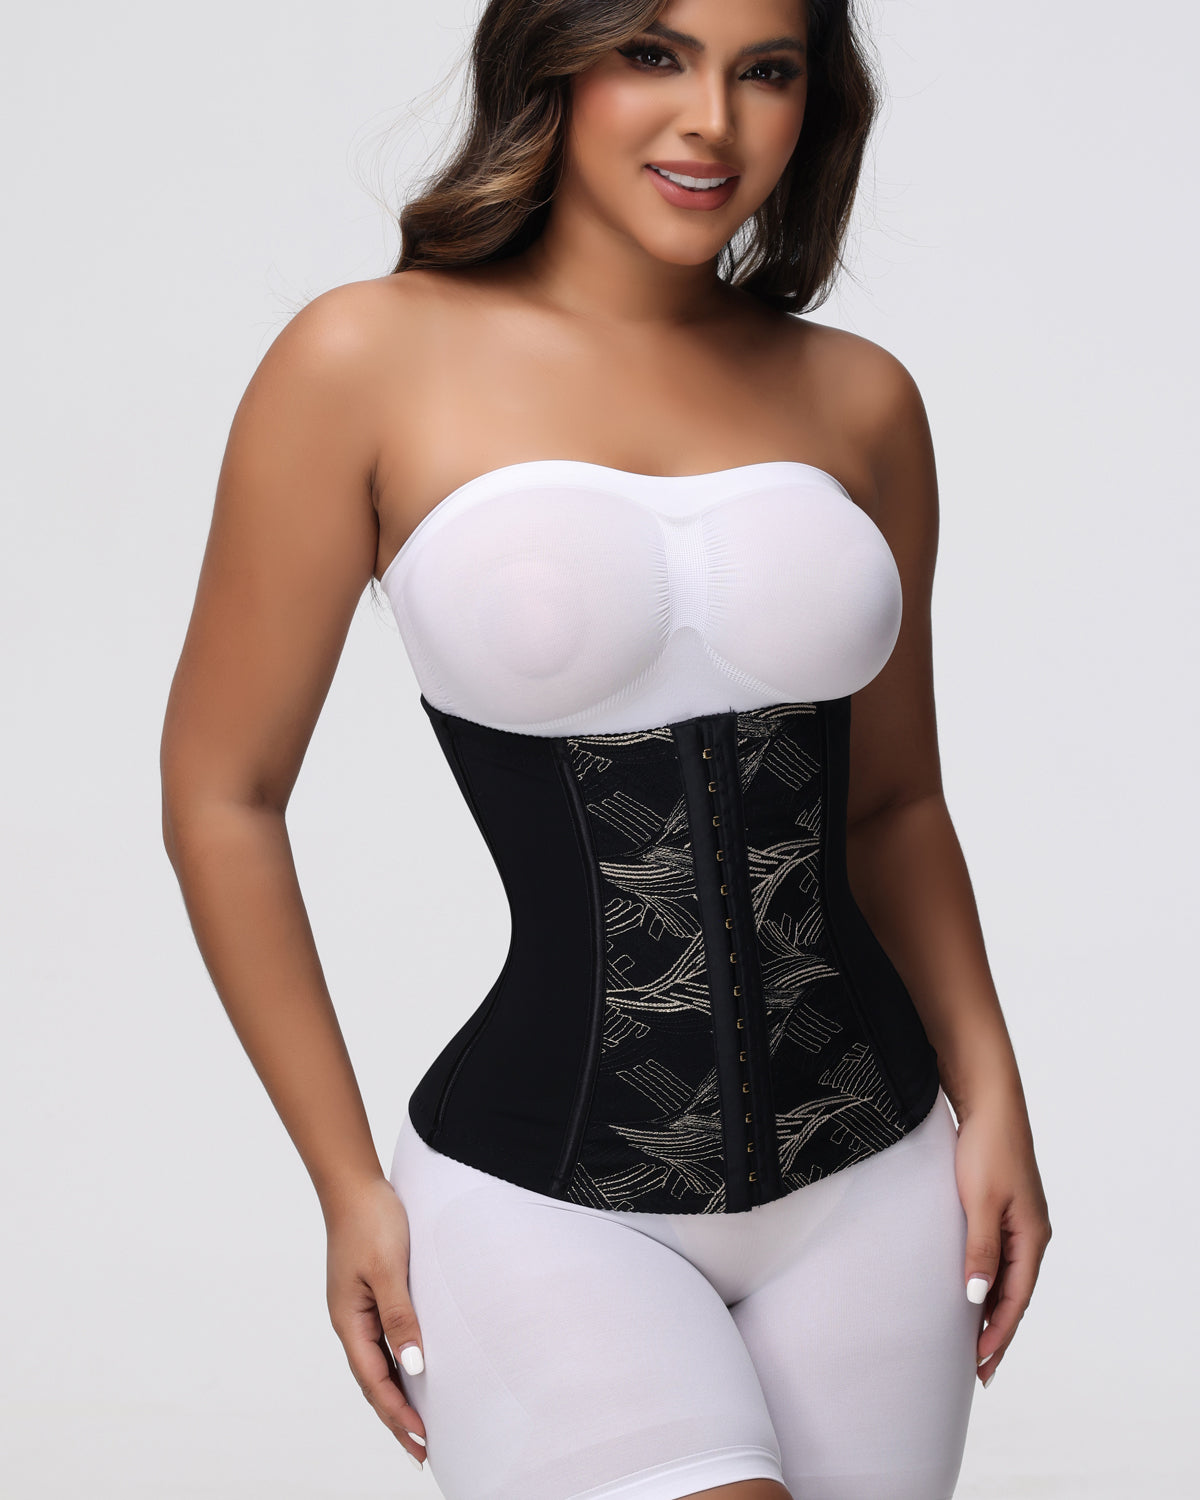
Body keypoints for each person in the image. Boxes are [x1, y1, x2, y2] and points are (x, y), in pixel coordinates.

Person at [159, 1, 1053, 1496]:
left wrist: (997, 1098)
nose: (712, 118)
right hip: (544, 1197)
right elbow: (222, 795)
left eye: (766, 71)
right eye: (656, 53)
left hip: (882, 1179)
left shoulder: (860, 397)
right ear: (554, 60)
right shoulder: (362, 358)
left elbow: (894, 804)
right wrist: (344, 1184)